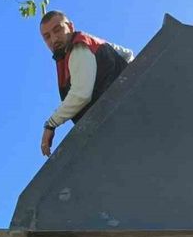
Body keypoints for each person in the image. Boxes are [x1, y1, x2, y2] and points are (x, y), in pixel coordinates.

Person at [39, 10, 134, 157]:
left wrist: (50, 124)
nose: (54, 39)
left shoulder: (79, 48)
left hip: (121, 120)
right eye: (47, 37)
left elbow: (81, 94)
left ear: (70, 27)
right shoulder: (88, 44)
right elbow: (127, 54)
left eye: (57, 30)